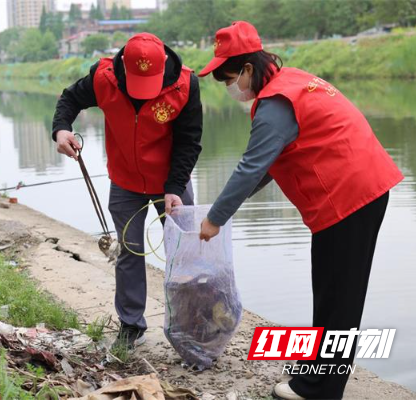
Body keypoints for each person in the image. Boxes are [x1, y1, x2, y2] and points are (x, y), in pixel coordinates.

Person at [197, 21, 403, 400]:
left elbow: (250, 167)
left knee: (337, 293)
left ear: (247, 69)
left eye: (228, 78)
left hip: (349, 197)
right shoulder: (291, 81)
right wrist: (227, 207)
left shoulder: (276, 103)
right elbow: (265, 167)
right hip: (361, 189)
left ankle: (319, 389)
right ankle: (322, 370)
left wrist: (215, 218)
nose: (229, 88)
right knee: (333, 288)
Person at [52, 32, 203, 350]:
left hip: (171, 182)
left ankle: (189, 326)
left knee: (184, 253)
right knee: (128, 253)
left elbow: (190, 141)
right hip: (125, 180)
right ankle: (131, 325)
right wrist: (61, 128)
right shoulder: (103, 78)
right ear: (123, 66)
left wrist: (175, 187)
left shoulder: (185, 85)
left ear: (163, 68)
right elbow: (69, 99)